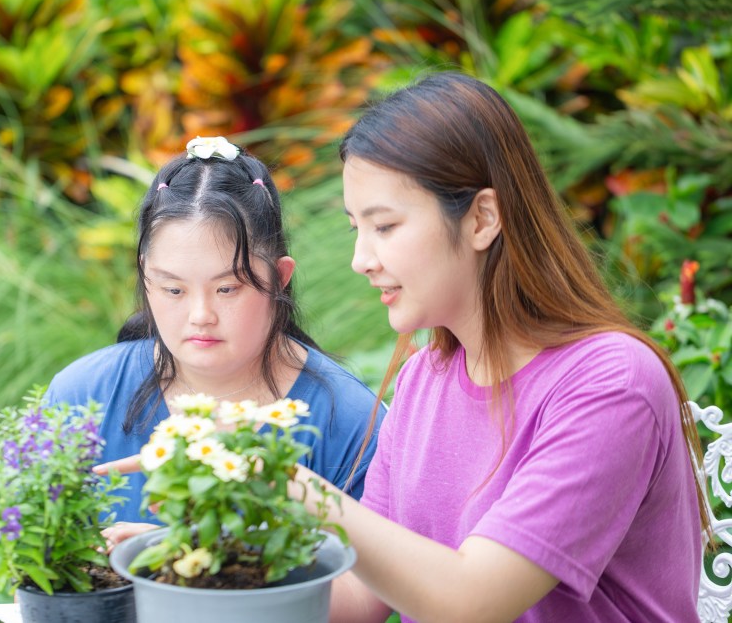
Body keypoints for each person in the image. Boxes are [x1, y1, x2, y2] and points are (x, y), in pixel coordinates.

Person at [284, 71, 707, 622]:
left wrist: (284, 481)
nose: (361, 259)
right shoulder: (421, 383)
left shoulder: (610, 383)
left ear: (483, 217)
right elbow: (362, 600)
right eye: (355, 230)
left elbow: (473, 602)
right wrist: (194, 564)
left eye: (384, 226)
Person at [44, 136, 384, 526]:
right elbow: (33, 575)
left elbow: (373, 584)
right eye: (174, 289)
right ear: (145, 276)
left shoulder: (349, 421)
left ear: (280, 277)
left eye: (227, 288)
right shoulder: (82, 395)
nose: (200, 315)